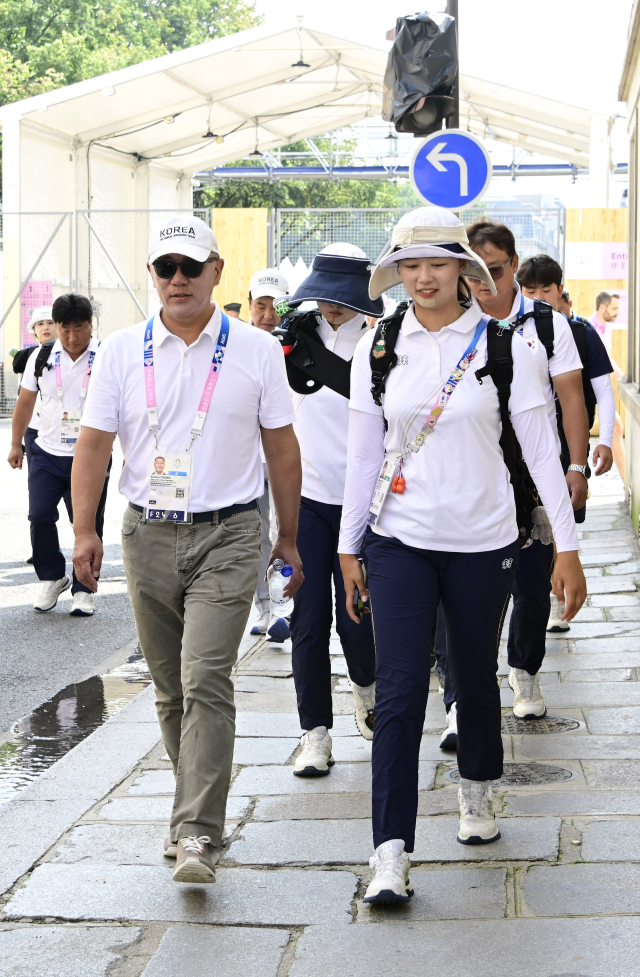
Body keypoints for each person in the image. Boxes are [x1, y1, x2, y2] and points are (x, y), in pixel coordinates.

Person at [338, 206, 586, 904]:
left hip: (485, 541)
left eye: (436, 263)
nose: (422, 277)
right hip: (398, 540)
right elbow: (363, 453)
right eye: (410, 265)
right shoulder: (380, 347)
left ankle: (476, 790)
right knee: (399, 689)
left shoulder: (508, 346)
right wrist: (347, 544)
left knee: (474, 676)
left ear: (463, 271)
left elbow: (541, 450)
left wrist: (566, 545)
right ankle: (390, 851)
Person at [71, 215, 303, 885]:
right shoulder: (120, 350)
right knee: (170, 689)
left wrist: (287, 534)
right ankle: (195, 800)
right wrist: (84, 530)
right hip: (146, 531)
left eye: (190, 267)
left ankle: (196, 830)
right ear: (152, 274)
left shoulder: (257, 350)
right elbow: (93, 445)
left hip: (229, 532)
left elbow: (282, 447)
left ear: (216, 272)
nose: (177, 279)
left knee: (205, 677)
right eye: (165, 267)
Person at [443, 229, 588, 733]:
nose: (484, 283)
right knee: (458, 590)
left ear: (514, 266)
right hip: (469, 469)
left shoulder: (546, 324)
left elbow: (571, 397)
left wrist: (576, 466)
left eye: (496, 271)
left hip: (532, 471)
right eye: (472, 273)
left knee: (531, 582)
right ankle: (458, 696)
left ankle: (524, 672)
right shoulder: (448, 324)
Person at [284, 244, 382, 772]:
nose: (332, 307)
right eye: (322, 297)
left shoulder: (382, 338)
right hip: (306, 499)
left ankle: (365, 687)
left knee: (357, 618)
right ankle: (314, 733)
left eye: (341, 298)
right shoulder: (294, 338)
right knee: (307, 618)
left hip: (365, 503)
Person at [8, 294, 107, 616]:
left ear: (91, 326)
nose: (72, 337)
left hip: (91, 455)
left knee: (87, 522)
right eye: (65, 329)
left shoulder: (105, 357)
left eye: (79, 329)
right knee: (39, 515)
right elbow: (24, 403)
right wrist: (14, 443)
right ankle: (52, 576)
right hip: (47, 450)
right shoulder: (41, 356)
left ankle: (84, 589)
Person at [246, 267, 292, 641]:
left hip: (290, 461)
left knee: (288, 533)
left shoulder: (301, 346)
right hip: (250, 461)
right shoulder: (238, 346)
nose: (268, 315)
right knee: (260, 534)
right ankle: (267, 607)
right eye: (261, 306)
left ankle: (286, 606)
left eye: (277, 307)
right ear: (249, 306)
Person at [586, 290, 626, 485]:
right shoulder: (588, 329)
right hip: (586, 390)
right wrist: (625, 377)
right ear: (603, 307)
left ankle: (627, 481)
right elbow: (606, 361)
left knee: (616, 427)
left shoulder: (606, 328)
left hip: (599, 388)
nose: (617, 312)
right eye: (615, 308)